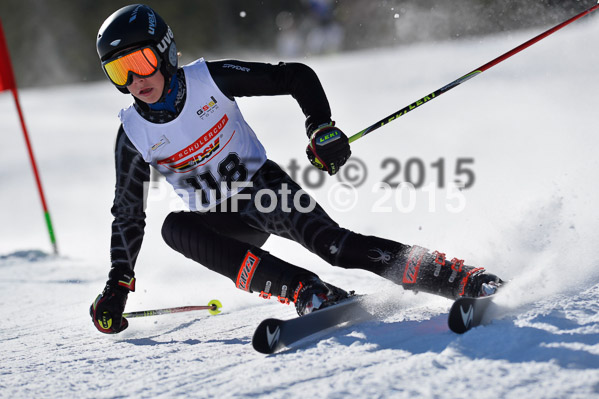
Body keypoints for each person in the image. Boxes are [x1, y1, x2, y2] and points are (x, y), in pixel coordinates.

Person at [90, 4, 503, 334]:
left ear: (164, 52)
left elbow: (296, 77)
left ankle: (458, 278)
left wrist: (320, 128)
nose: (135, 80)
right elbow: (128, 212)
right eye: (118, 70)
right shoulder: (132, 132)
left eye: (140, 61)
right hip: (220, 221)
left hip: (262, 190)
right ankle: (309, 292)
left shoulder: (209, 80)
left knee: (336, 248)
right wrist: (117, 284)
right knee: (174, 228)